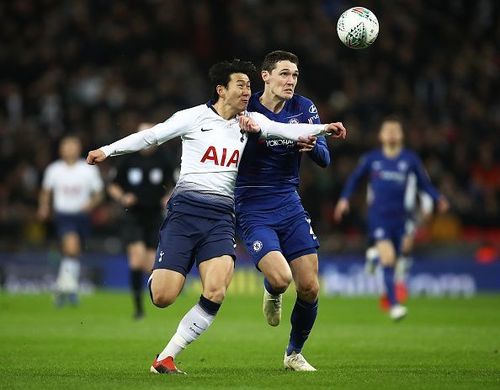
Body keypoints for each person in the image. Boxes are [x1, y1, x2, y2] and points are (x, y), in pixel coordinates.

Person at [86, 59, 346, 375]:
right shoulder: (193, 117)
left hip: (222, 216)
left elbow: (287, 129)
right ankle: (161, 274)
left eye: (250, 86)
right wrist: (107, 150)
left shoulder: (250, 122)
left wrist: (325, 129)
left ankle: (165, 359)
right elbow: (151, 136)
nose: (247, 91)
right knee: (163, 296)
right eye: (241, 85)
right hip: (185, 213)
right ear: (221, 89)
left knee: (216, 290)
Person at [235, 50, 330, 371]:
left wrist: (314, 145)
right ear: (266, 76)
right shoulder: (244, 108)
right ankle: (272, 291)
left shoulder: (304, 108)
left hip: (289, 202)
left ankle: (293, 353)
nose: (291, 81)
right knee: (280, 278)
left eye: (295, 75)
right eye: (285, 74)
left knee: (310, 286)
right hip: (252, 203)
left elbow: (325, 158)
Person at [334, 116, 448, 321]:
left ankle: (374, 255)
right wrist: (344, 199)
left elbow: (424, 183)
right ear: (381, 135)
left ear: (402, 135)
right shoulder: (373, 159)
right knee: (389, 260)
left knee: (401, 253)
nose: (392, 133)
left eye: (396, 130)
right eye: (388, 130)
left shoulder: (410, 159)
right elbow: (354, 179)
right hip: (379, 218)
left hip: (402, 218)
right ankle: (394, 305)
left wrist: (437, 198)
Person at [107, 123, 175, 319]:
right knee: (136, 260)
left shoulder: (164, 159)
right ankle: (138, 309)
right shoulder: (128, 158)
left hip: (154, 216)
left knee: (150, 265)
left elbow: (174, 183)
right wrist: (122, 198)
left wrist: (167, 197)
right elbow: (112, 185)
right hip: (133, 216)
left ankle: (161, 294)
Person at [37, 135, 104, 306]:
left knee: (73, 253)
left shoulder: (88, 169)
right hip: (63, 216)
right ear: (61, 149)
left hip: (81, 216)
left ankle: (63, 288)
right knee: (71, 248)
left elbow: (98, 193)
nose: (70, 149)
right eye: (66, 146)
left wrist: (89, 205)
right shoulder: (54, 169)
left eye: (73, 146)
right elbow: (46, 191)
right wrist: (44, 207)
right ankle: (70, 288)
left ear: (79, 148)